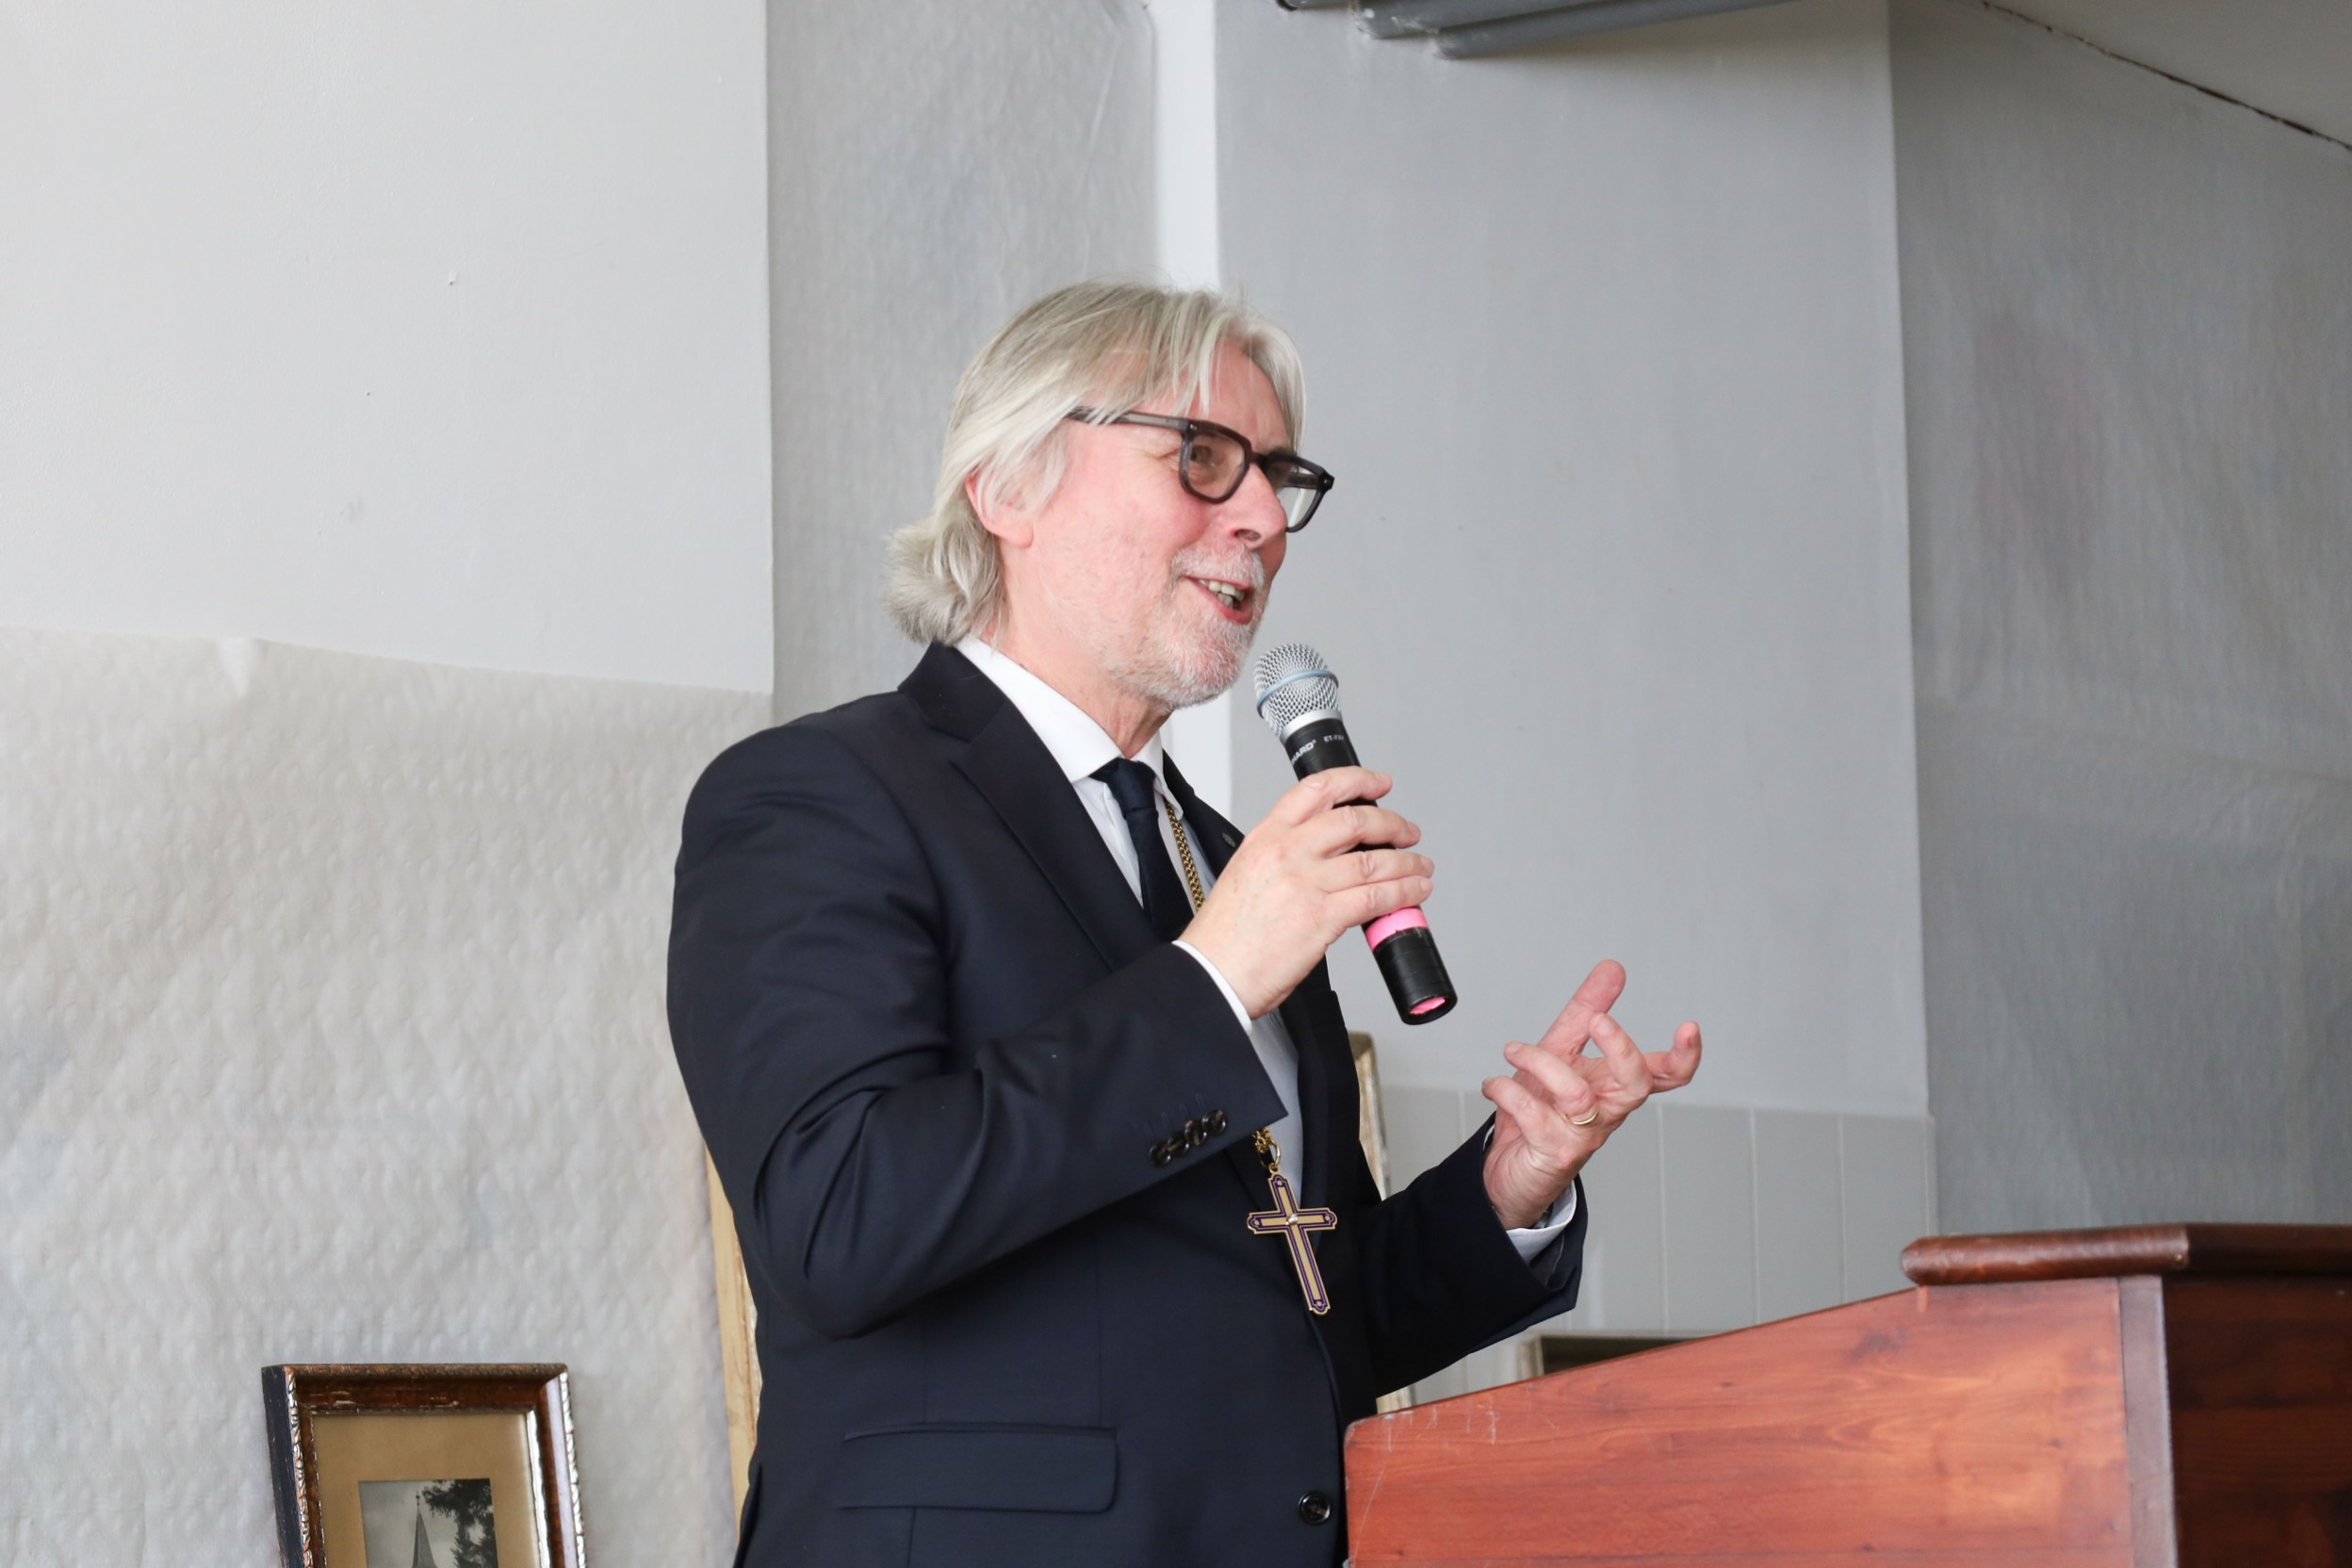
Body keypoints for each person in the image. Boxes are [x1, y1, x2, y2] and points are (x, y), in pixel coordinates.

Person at [667, 280, 1702, 1568]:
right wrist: (1213, 981)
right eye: (1203, 458)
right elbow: (840, 1222)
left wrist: (1510, 1189)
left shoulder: (1221, 859)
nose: (1261, 517)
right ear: (1010, 488)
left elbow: (1296, 1309)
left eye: (1279, 476)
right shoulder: (818, 795)